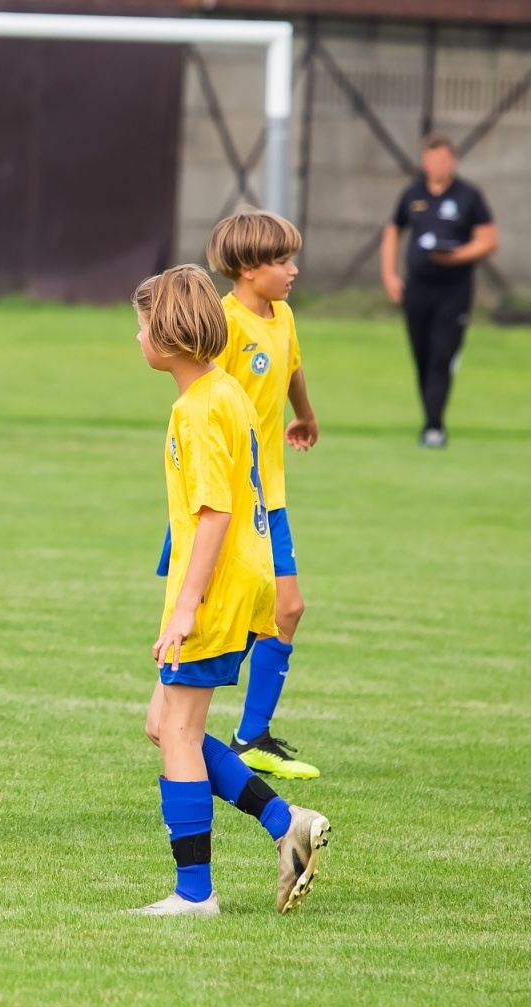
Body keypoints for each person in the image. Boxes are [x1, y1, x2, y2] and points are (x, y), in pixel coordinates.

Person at [129, 264, 329, 917]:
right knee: (164, 724)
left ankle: (195, 893)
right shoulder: (225, 393)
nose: (136, 337)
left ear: (165, 334)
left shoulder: (198, 408)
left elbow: (214, 510)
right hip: (240, 580)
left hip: (213, 591)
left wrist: (186, 605)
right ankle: (286, 824)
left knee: (181, 731)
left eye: (140, 325)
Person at [204, 210, 321, 780]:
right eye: (281, 261)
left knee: (287, 609)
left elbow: (291, 366)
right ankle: (187, 711)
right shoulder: (224, 325)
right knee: (233, 617)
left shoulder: (283, 314)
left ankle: (252, 738)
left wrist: (305, 416)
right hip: (232, 500)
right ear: (248, 268)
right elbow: (205, 401)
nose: (293, 270)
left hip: (269, 493)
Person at [380, 134, 499, 449]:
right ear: (424, 162)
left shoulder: (469, 196)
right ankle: (431, 418)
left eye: (443, 159)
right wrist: (390, 275)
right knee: (422, 356)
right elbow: (393, 230)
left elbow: (489, 239)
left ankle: (434, 427)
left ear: (453, 161)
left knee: (441, 357)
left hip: (454, 290)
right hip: (418, 289)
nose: (437, 165)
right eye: (431, 160)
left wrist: (456, 255)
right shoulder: (413, 194)